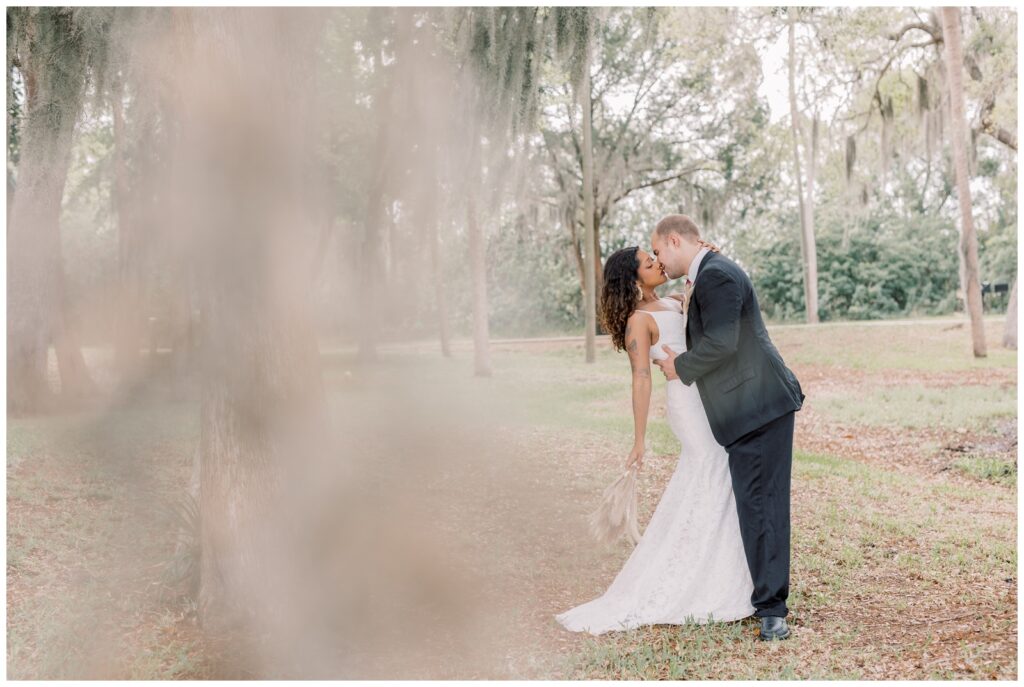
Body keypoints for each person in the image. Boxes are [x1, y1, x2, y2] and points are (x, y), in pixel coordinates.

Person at [554, 246, 755, 635]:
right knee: (710, 470)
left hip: (710, 397)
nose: (658, 264)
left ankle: (720, 567)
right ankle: (693, 575)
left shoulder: (677, 298)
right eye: (649, 264)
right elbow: (641, 378)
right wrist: (639, 439)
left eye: (656, 258)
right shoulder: (639, 321)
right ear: (633, 280)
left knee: (715, 478)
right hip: (688, 406)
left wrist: (707, 251)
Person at [650, 214, 804, 641]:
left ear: (676, 240)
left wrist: (677, 368)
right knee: (756, 504)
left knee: (762, 505)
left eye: (659, 250)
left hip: (757, 406)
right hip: (749, 407)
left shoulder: (716, 274)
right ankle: (767, 598)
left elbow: (722, 342)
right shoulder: (708, 274)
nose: (659, 260)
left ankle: (772, 610)